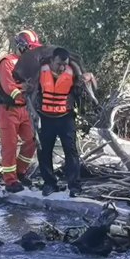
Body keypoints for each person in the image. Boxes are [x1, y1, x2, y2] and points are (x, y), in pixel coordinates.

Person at [37, 47, 95, 197]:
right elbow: (32, 89)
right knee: (44, 151)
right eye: (59, 64)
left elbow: (78, 92)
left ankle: (74, 186)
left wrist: (81, 84)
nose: (62, 68)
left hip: (65, 118)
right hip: (46, 117)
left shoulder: (72, 72)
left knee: (71, 151)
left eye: (64, 64)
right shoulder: (40, 71)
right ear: (51, 61)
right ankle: (49, 184)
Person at [0, 29, 41, 193]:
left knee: (32, 140)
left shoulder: (31, 64)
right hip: (8, 110)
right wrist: (23, 92)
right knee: (10, 146)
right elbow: (9, 88)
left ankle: (21, 172)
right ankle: (10, 180)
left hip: (26, 109)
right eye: (30, 48)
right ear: (21, 46)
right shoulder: (6, 62)